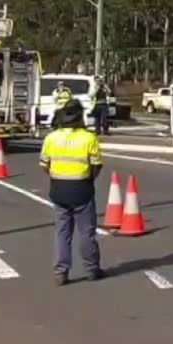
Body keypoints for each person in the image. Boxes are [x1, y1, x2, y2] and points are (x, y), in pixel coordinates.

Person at [39, 101, 105, 285]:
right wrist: (89, 179)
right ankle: (92, 269)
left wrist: (56, 175)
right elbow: (96, 165)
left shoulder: (51, 138)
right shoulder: (89, 138)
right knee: (86, 231)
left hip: (59, 188)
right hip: (82, 188)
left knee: (62, 232)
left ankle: (61, 272)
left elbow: (45, 165)